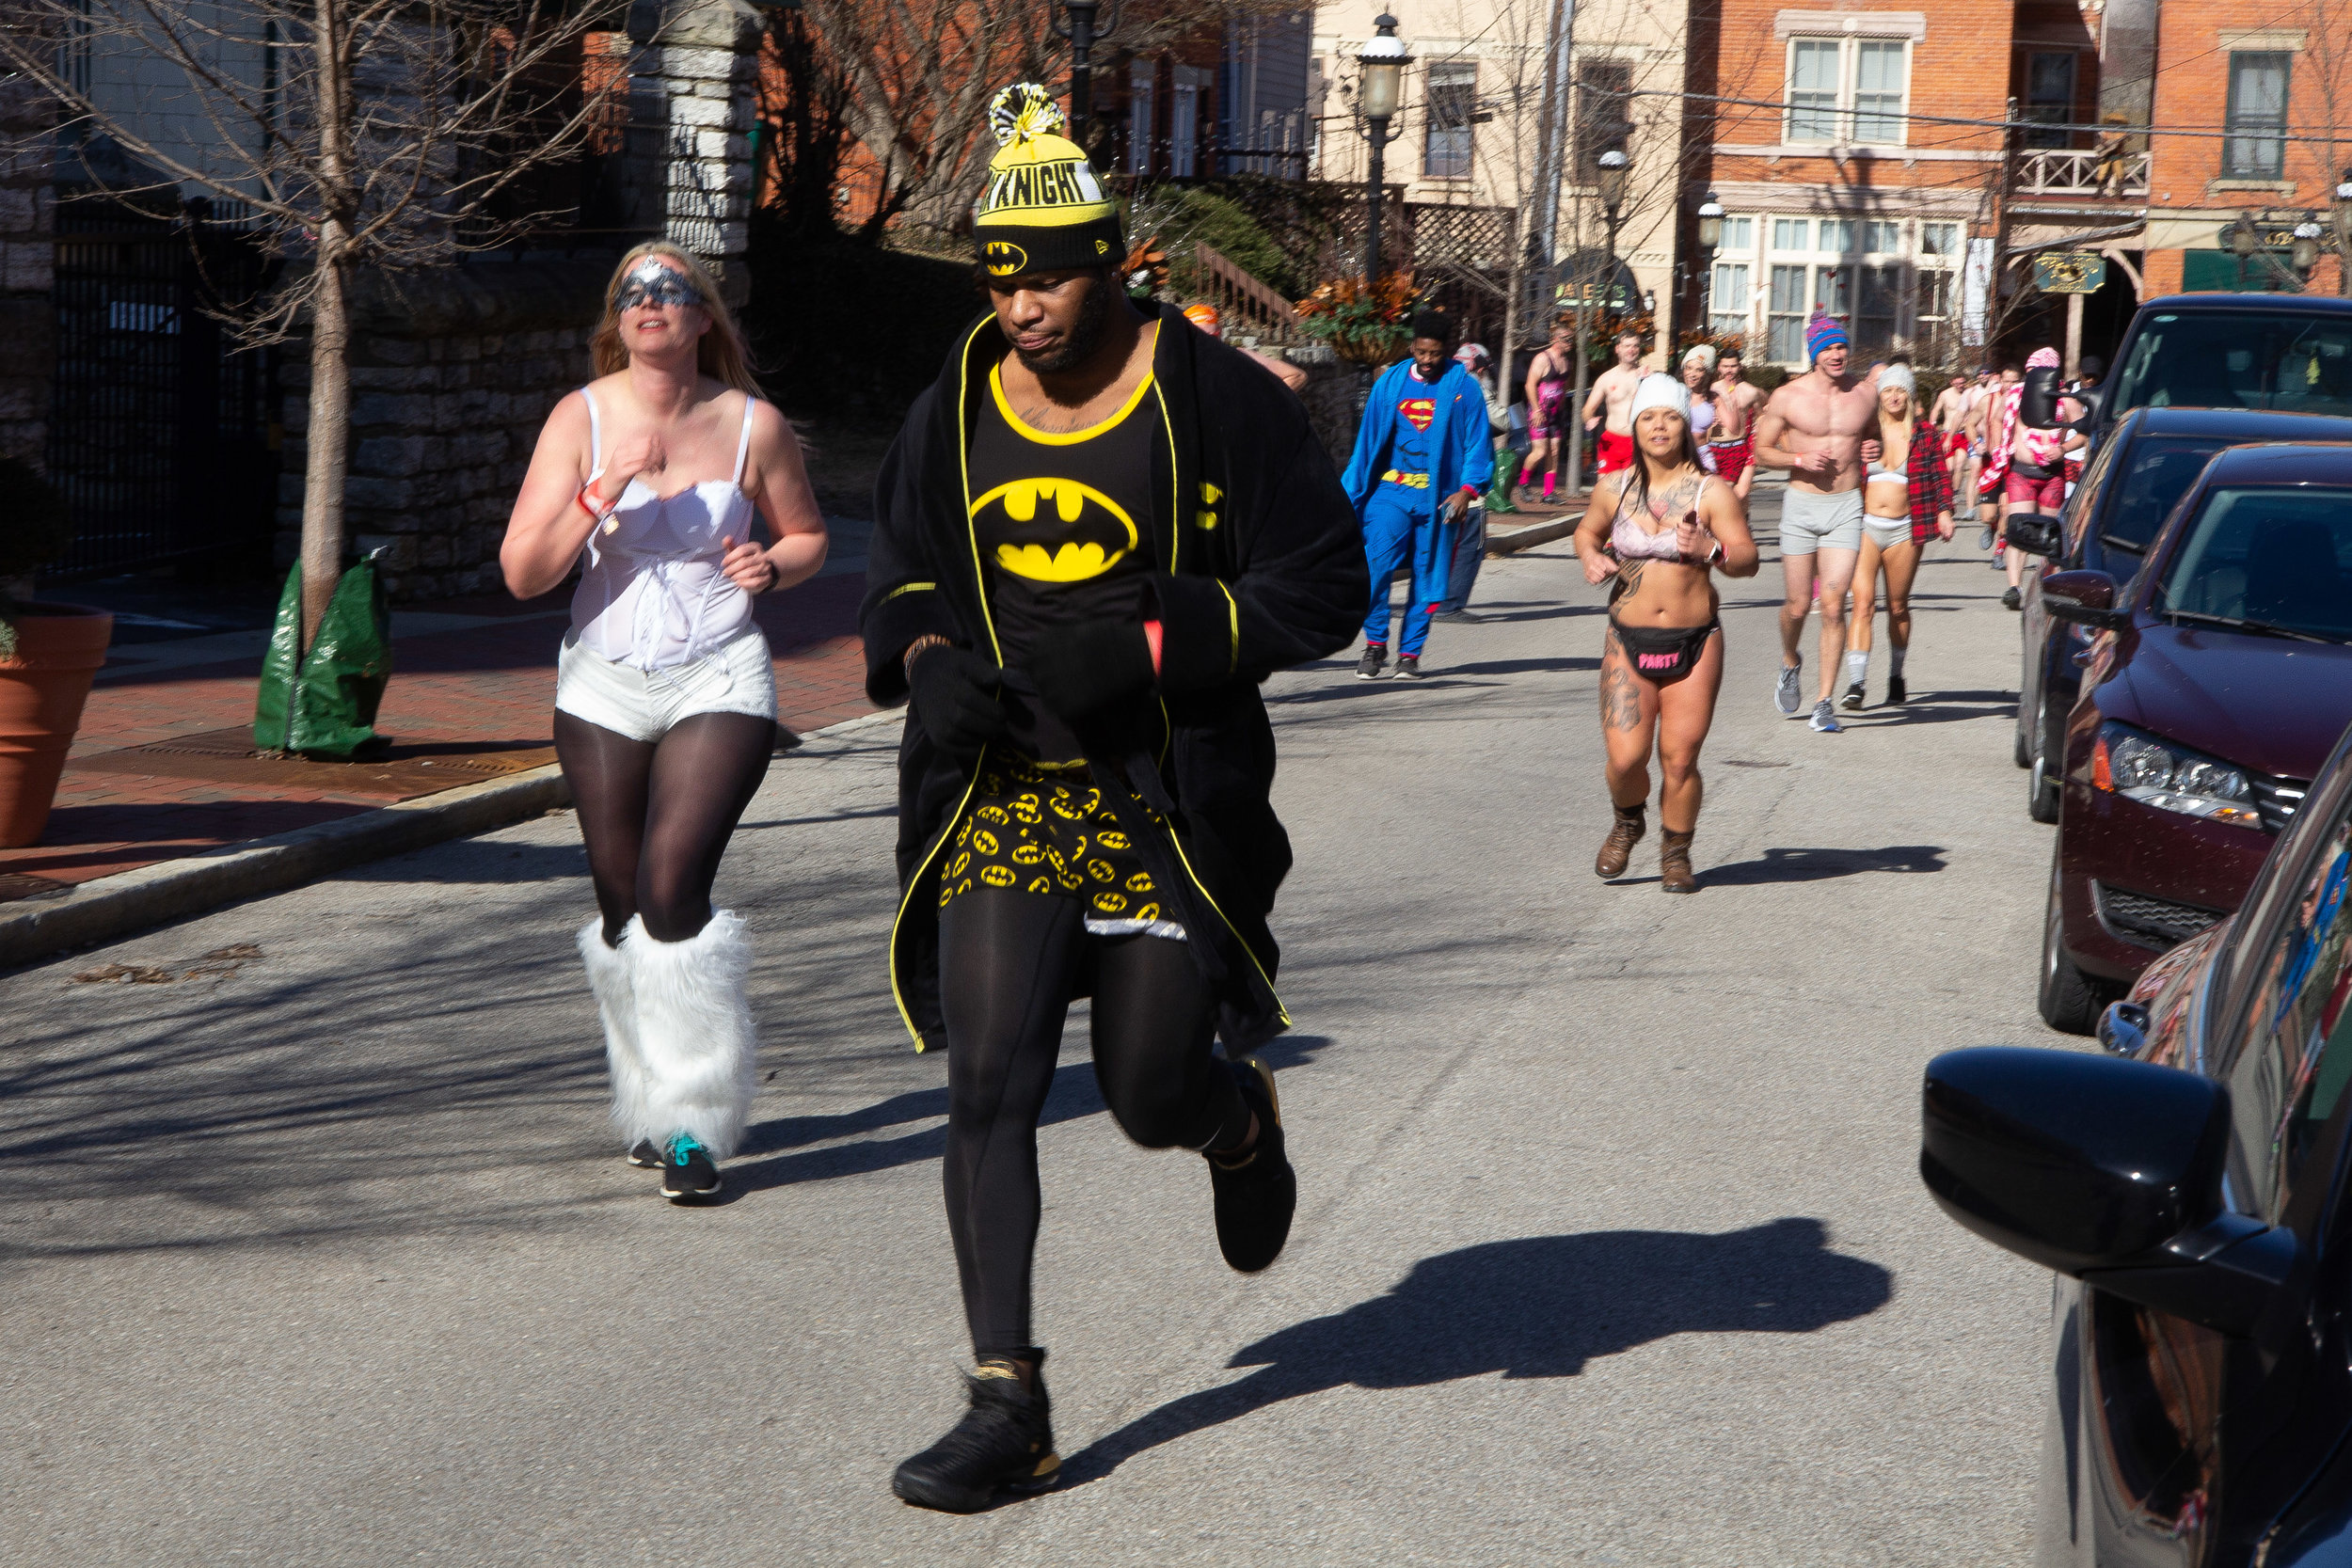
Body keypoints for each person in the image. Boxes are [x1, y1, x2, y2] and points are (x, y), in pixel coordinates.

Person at [856, 83, 1363, 1514]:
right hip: (1002, 791)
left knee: (1144, 1094)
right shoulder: (954, 398)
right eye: (1002, 277)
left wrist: (1148, 642)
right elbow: (896, 562)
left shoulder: (1212, 397)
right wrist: (930, 655)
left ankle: (1237, 1121)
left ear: (1119, 257)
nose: (1023, 306)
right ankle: (1004, 1400)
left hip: (1159, 801)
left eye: (1052, 273)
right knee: (989, 1081)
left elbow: (1326, 584)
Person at [498, 243, 829, 1202]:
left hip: (718, 673)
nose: (651, 302)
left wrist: (777, 564)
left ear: (702, 319)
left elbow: (804, 532)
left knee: (671, 886)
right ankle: (643, 1100)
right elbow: (523, 572)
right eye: (633, 292)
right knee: (618, 904)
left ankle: (692, 1124)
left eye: (671, 289)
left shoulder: (749, 425)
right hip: (601, 681)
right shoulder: (582, 418)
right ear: (619, 321)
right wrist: (605, 485)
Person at [1572, 373, 1758, 893]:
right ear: (1635, 425)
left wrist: (1710, 552)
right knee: (1626, 759)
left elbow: (1747, 559)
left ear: (1685, 425)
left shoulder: (1711, 491)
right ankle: (1627, 819)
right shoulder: (1613, 487)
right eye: (1649, 417)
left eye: (1671, 416)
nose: (1659, 427)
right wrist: (1589, 555)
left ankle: (1676, 853)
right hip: (1626, 641)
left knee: (1680, 758)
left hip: (1694, 643)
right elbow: (1586, 531)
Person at [1342, 310, 1495, 677]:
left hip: (1440, 499)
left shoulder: (1463, 387)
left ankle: (1409, 654)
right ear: (1412, 347)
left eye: (1435, 354)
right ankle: (1375, 644)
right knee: (1375, 566)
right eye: (1421, 352)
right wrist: (1349, 494)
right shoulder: (1390, 384)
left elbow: (1478, 444)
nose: (1427, 361)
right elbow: (1366, 444)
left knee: (1429, 575)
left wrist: (1467, 491)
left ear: (1447, 352)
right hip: (1391, 490)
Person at [1752, 308, 1883, 733]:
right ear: (1814, 353)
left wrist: (1872, 451)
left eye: (1842, 346)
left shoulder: (1864, 394)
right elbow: (1760, 451)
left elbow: (1874, 437)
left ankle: (1824, 702)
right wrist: (1798, 458)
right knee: (1797, 605)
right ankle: (1790, 660)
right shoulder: (1788, 397)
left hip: (1845, 505)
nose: (1837, 354)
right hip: (1802, 506)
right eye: (1828, 347)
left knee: (1832, 605)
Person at [1841, 365, 1953, 709]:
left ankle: (1896, 674)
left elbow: (1939, 476)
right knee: (1862, 604)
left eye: (1900, 391)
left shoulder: (1924, 434)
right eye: (1888, 390)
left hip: (1905, 528)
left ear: (1909, 396)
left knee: (1897, 606)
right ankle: (1856, 684)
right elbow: (1841, 466)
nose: (1893, 396)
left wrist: (1945, 511)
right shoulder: (1865, 433)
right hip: (1865, 526)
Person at [1984, 352, 2067, 609]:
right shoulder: (2015, 395)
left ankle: (2046, 587)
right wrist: (1998, 449)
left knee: (2048, 536)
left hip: (2052, 475)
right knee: (2018, 531)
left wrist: (2065, 448)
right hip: (2021, 472)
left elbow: (2085, 429)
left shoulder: (2064, 397)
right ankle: (2013, 587)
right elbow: (1996, 419)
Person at [1181, 301, 1309, 392]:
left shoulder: (1240, 356)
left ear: (1220, 333)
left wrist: (1262, 405)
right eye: (1199, 337)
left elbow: (1296, 376)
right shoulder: (1173, 363)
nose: (1207, 343)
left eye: (1212, 336)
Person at [1519, 321, 1576, 502]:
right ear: (1555, 339)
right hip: (1539, 412)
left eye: (1571, 339)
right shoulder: (1543, 358)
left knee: (1554, 451)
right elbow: (1529, 384)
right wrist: (1536, 409)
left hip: (1555, 414)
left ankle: (1548, 493)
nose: (1569, 343)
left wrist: (1562, 410)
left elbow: (1564, 387)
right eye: (1566, 339)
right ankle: (1523, 482)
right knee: (1540, 451)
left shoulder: (1566, 361)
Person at [1582, 329, 1647, 479]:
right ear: (1618, 348)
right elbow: (1587, 409)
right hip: (1611, 441)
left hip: (1636, 442)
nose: (1631, 350)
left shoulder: (1645, 377)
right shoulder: (1606, 378)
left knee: (1631, 491)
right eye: (1627, 346)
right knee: (1604, 490)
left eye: (1635, 346)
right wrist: (1589, 419)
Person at [1708, 347, 1762, 499]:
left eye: (1732, 366)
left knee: (1728, 494)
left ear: (1739, 367)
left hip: (1736, 446)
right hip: (1713, 447)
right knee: (1711, 494)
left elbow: (1762, 416)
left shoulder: (1749, 391)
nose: (1729, 370)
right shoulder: (1711, 390)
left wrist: (1756, 433)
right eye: (1725, 366)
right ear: (1719, 367)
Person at [1679, 343, 1719, 468]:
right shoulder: (1674, 394)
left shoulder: (1714, 399)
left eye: (1699, 370)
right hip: (1677, 455)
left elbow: (1731, 429)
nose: (1692, 374)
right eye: (1689, 368)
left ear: (1706, 373)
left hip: (1703, 455)